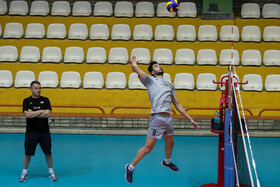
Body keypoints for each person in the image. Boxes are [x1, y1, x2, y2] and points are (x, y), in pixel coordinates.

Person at [125, 57, 199, 184]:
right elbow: (135, 69)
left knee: (170, 143)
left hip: (168, 119)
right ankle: (130, 167)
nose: (159, 66)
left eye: (159, 65)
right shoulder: (149, 80)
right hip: (157, 118)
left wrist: (190, 119)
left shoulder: (170, 85)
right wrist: (134, 63)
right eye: (156, 66)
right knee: (148, 148)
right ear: (152, 72)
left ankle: (167, 162)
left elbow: (178, 105)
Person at [19, 81, 57, 182]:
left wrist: (34, 113)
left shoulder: (45, 100)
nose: (38, 90)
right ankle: (24, 172)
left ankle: (51, 172)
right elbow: (27, 115)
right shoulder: (26, 101)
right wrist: (41, 111)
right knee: (27, 153)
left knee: (48, 153)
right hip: (31, 132)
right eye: (36, 88)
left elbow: (48, 114)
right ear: (31, 89)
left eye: (39, 88)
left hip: (44, 132)